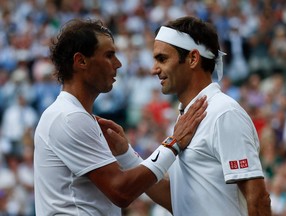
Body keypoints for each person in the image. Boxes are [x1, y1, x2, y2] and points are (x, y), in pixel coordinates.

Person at [99, 16, 272, 215]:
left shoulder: (224, 113)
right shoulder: (186, 117)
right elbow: (178, 201)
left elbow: (258, 199)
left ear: (192, 59)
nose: (153, 69)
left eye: (162, 59)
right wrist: (126, 154)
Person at [33, 18, 208, 215]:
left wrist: (126, 153)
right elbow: (121, 192)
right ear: (81, 61)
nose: (118, 64)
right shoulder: (69, 117)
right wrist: (173, 143)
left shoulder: (72, 115)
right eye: (109, 55)